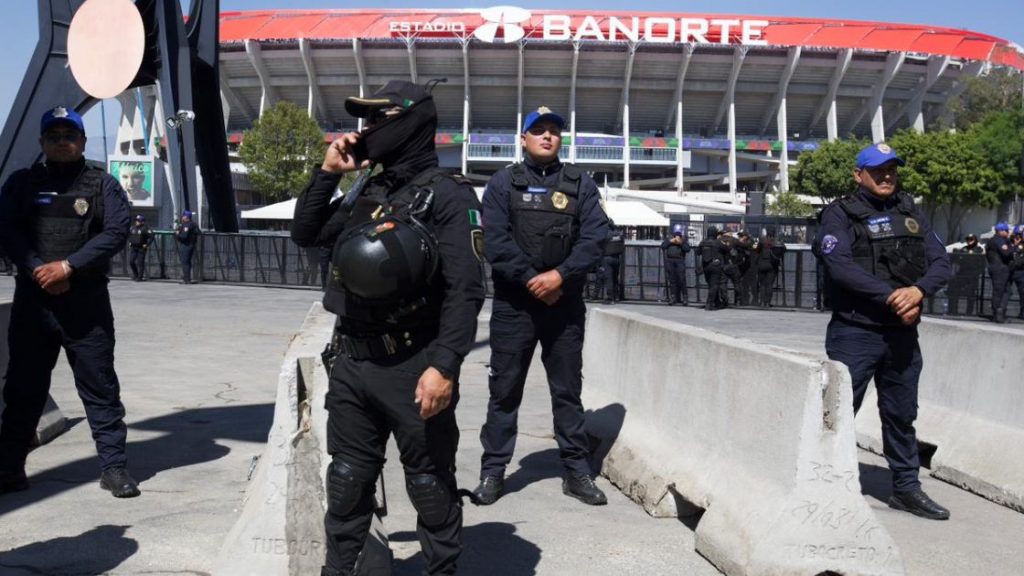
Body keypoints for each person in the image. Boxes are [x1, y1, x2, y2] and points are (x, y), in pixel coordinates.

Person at [290, 79, 485, 576]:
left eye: (380, 118)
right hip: (353, 362)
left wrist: (445, 367)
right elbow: (306, 233)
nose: (368, 128)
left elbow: (466, 290)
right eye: (366, 119)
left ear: (413, 121)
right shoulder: (369, 188)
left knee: (429, 485)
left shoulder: (449, 194)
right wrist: (327, 173)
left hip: (414, 366)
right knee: (347, 482)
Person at [0, 106, 140, 498]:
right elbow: (6, 230)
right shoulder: (22, 183)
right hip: (34, 303)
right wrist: (39, 270)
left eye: (69, 136)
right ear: (42, 142)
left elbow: (116, 231)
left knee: (100, 387)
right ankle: (9, 469)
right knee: (23, 389)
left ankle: (114, 468)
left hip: (86, 304)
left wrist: (68, 267)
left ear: (82, 141)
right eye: (54, 136)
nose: (62, 142)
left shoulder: (102, 184)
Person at [473, 106, 609, 507]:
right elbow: (495, 242)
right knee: (504, 391)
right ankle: (493, 472)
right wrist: (535, 281)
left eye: (553, 130)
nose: (547, 136)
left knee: (567, 392)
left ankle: (576, 472)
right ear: (523, 139)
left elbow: (595, 238)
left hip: (563, 306)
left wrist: (560, 276)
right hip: (515, 306)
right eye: (538, 130)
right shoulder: (503, 183)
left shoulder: (581, 184)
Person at [818, 142, 951, 520]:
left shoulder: (910, 210)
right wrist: (893, 296)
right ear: (858, 174)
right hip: (855, 332)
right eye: (877, 170)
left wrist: (918, 291)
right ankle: (823, 485)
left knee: (901, 414)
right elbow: (839, 265)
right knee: (837, 413)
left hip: (902, 334)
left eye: (891, 169)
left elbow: (941, 262)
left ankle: (906, 488)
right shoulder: (840, 214)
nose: (886, 176)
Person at [948, 234, 985, 316]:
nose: (969, 241)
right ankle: (954, 311)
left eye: (971, 239)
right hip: (962, 274)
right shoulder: (964, 249)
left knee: (971, 294)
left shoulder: (978, 250)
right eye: (968, 239)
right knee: (956, 292)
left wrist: (977, 272)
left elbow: (981, 264)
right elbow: (957, 259)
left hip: (973, 275)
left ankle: (969, 312)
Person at [984, 222, 1013, 323]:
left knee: (1007, 291)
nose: (1008, 232)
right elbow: (1006, 253)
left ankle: (1000, 311)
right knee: (999, 291)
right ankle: (997, 313)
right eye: (1006, 230)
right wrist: (1014, 246)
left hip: (998, 268)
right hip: (999, 268)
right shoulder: (998, 240)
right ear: (1000, 231)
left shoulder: (995, 240)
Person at [697, 227, 728, 310]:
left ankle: (717, 302)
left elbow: (698, 252)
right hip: (715, 266)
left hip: (705, 266)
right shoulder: (718, 242)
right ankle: (709, 304)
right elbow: (726, 249)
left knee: (711, 285)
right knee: (714, 285)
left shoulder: (703, 242)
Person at [661, 223, 689, 305]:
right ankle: (673, 297)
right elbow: (663, 246)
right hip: (670, 261)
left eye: (678, 234)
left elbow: (687, 249)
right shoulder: (669, 239)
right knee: (672, 280)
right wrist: (670, 241)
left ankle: (685, 297)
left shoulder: (683, 239)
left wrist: (681, 243)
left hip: (680, 260)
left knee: (682, 280)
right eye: (676, 234)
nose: (677, 236)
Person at [754, 232, 786, 307]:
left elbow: (756, 250)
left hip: (762, 264)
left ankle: (762, 302)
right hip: (772, 266)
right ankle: (768, 303)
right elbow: (784, 250)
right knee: (769, 285)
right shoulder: (777, 242)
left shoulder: (762, 241)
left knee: (762, 284)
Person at [600, 218, 624, 304]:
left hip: (607, 258)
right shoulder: (618, 234)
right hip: (617, 258)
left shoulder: (605, 234)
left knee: (609, 278)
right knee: (615, 278)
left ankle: (610, 298)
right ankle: (616, 296)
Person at [174, 210, 200, 284]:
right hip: (191, 244)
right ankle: (187, 277)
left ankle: (187, 279)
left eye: (183, 216)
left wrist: (177, 234)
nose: (182, 217)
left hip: (186, 245)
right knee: (187, 262)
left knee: (185, 262)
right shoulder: (194, 224)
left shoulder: (187, 225)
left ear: (186, 217)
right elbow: (198, 232)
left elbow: (184, 236)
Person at [127, 214, 152, 281]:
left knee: (140, 262)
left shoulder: (145, 228)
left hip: (141, 248)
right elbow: (129, 235)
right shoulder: (132, 227)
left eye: (138, 221)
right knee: (131, 261)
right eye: (136, 220)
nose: (136, 222)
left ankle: (140, 277)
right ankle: (135, 274)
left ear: (142, 222)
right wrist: (130, 241)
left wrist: (147, 244)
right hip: (134, 247)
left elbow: (151, 237)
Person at [1010, 226, 1024, 320]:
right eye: (1015, 236)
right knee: (1006, 291)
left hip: (1021, 272)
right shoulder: (1009, 244)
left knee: (1023, 293)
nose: (1016, 239)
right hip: (1010, 271)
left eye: (1018, 237)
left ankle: (1022, 313)